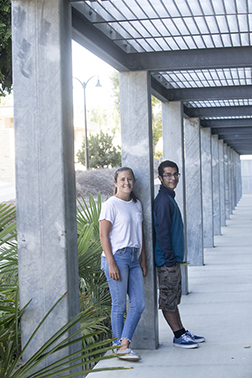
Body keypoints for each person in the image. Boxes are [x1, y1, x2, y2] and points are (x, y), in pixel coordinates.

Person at [153, 160, 205, 349]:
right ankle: (177, 336)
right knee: (168, 299)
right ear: (160, 178)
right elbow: (162, 233)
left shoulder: (169, 198)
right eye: (168, 175)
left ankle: (182, 331)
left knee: (173, 299)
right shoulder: (163, 201)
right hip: (167, 262)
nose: (173, 178)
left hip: (172, 260)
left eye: (175, 174)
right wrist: (168, 262)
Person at [99, 167, 147, 361]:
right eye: (122, 179)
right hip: (117, 257)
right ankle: (120, 346)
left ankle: (122, 344)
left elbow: (140, 233)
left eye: (130, 179)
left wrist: (143, 259)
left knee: (138, 304)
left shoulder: (136, 204)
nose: (126, 182)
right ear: (116, 182)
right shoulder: (111, 204)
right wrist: (111, 263)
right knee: (119, 305)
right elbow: (103, 235)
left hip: (134, 258)